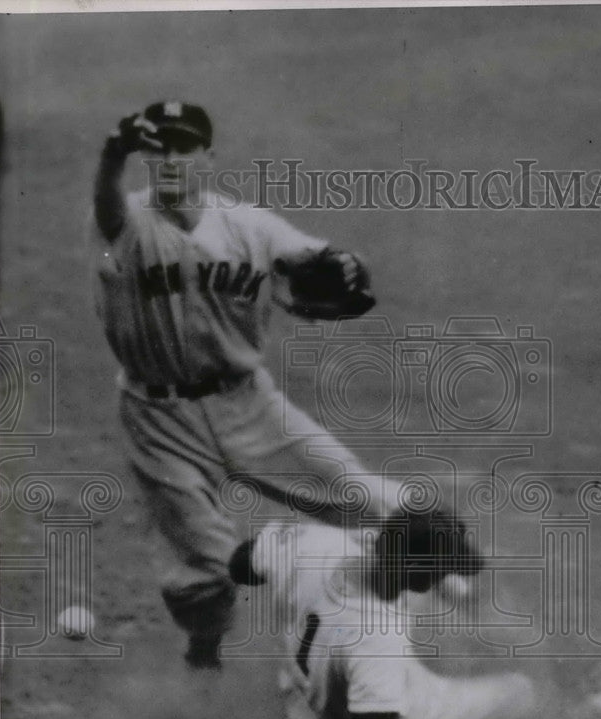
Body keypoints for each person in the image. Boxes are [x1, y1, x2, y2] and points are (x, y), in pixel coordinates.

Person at [90, 101, 399, 669]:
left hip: (250, 405)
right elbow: (106, 206)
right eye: (157, 151)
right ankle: (204, 655)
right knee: (208, 573)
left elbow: (317, 258)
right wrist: (112, 155)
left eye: (183, 149)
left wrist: (348, 263)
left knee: (369, 499)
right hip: (158, 421)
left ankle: (445, 592)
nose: (170, 162)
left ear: (208, 157)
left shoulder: (250, 226)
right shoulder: (126, 222)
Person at [229, 502, 550, 719]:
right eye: (443, 569)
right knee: (520, 692)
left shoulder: (316, 544)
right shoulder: (378, 640)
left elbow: (239, 564)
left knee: (372, 656)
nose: (448, 574)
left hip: (301, 708)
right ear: (423, 576)